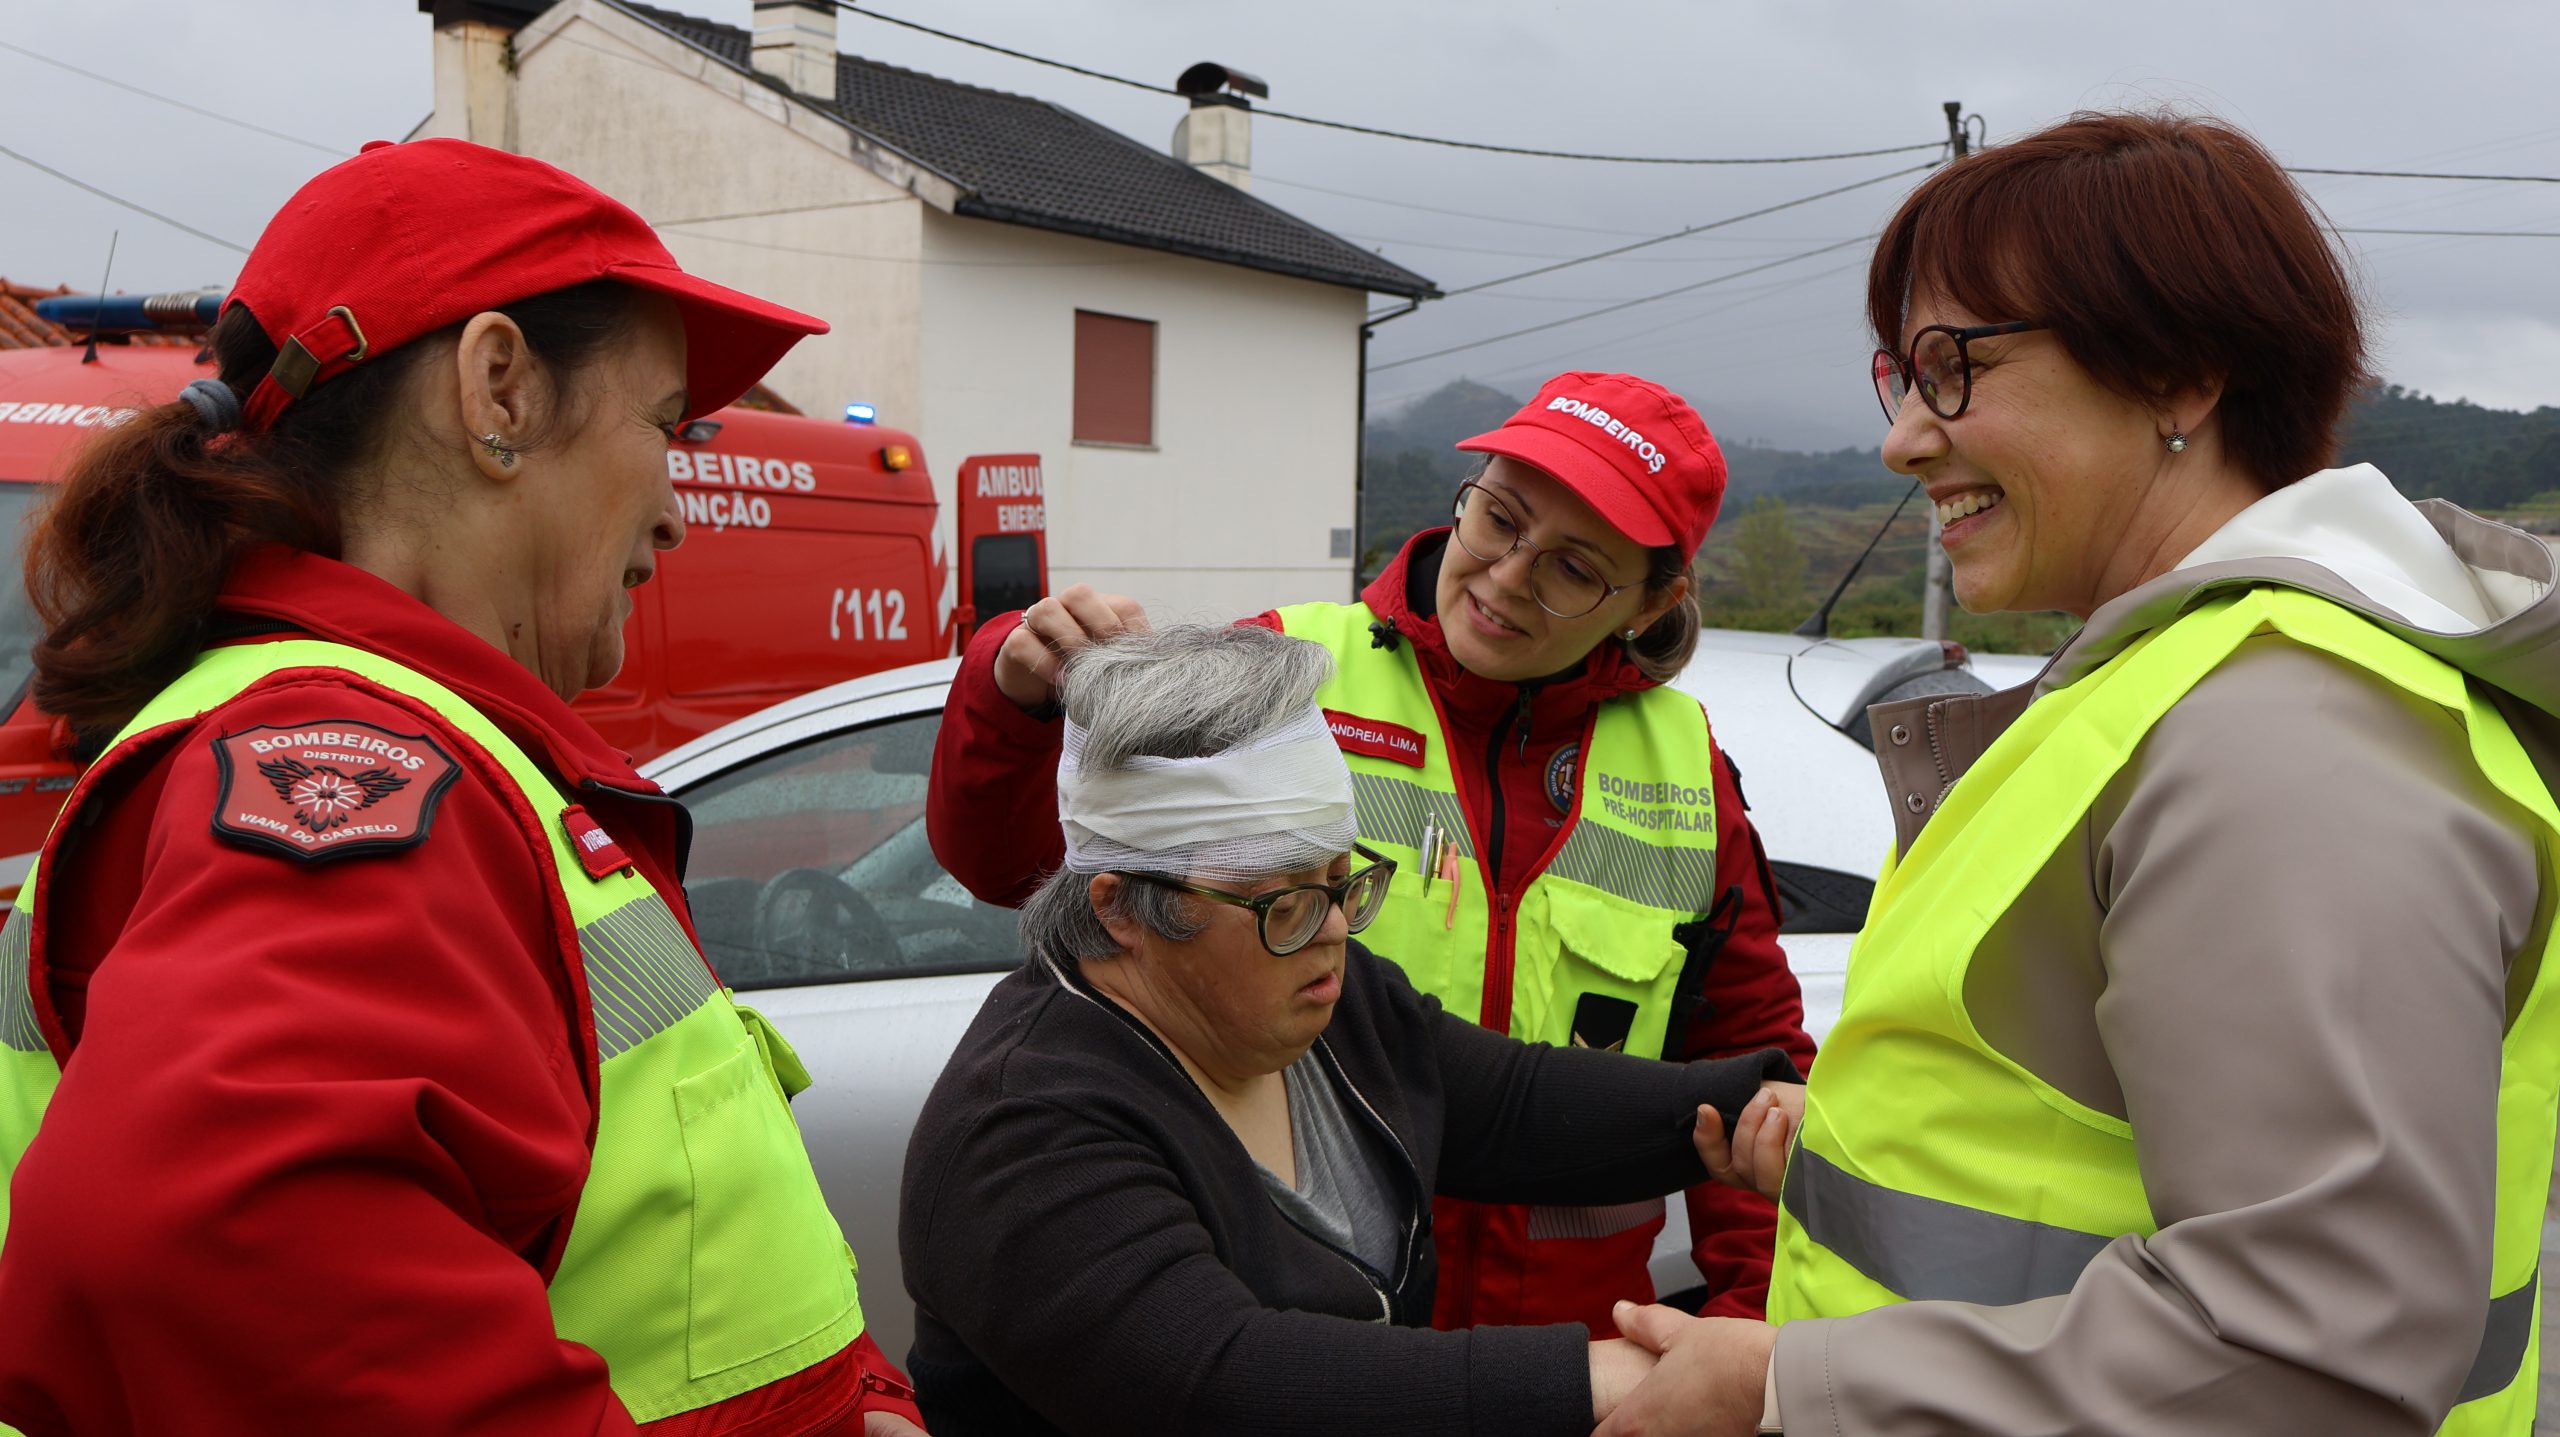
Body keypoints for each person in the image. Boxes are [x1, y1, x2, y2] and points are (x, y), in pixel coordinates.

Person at [1598, 110, 2560, 1437]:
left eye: (1955, 368)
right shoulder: (2169, 690)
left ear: (2178, 374)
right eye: (1899, 376)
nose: (1903, 439)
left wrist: (1782, 1389)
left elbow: (2309, 1355)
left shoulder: (2283, 733)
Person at [0, 139, 924, 1435]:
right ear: (500, 391)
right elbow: (212, 1250)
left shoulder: (369, 732)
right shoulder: (339, 758)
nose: (674, 511)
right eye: (663, 427)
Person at [926, 373, 1816, 1334]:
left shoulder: (1685, 766)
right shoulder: (1288, 674)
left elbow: (1751, 1070)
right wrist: (1011, 686)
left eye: (1572, 568)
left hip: (1570, 1340)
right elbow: (1019, 867)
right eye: (1499, 520)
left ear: (1651, 603)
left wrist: (1748, 1322)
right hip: (1309, 1316)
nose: (1506, 576)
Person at [899, 624, 1801, 1436]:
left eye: (1342, 880)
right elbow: (1222, 1381)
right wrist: (1606, 1376)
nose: (1334, 928)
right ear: (1122, 907)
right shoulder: (1019, 1127)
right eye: (1285, 901)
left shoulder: (1321, 999)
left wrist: (1757, 1107)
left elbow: (1512, 1101)